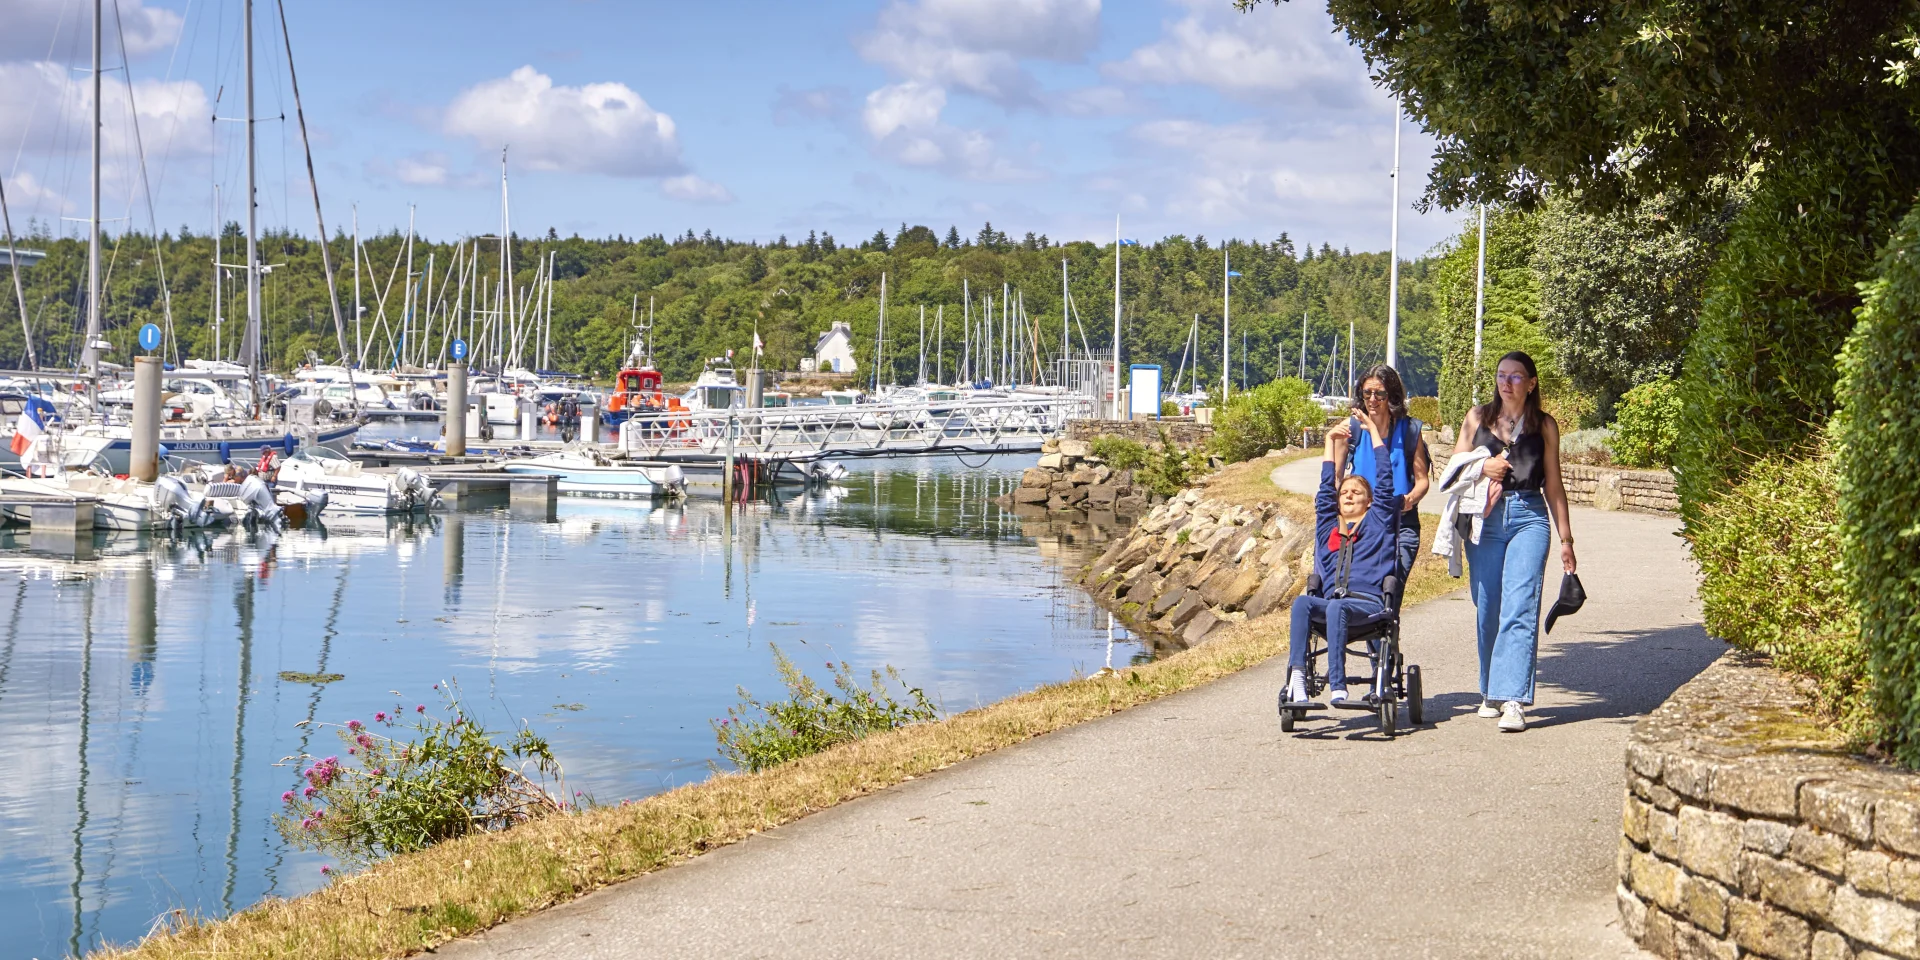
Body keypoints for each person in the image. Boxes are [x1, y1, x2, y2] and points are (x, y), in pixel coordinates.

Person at [1452, 351, 1577, 733]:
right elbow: (1453, 471)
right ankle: (1490, 688)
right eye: (1501, 375)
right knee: (1487, 605)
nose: (1506, 383)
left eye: (1516, 377)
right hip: (1484, 520)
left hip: (1529, 516)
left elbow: (1553, 483)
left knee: (1520, 605)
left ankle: (1513, 699)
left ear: (1532, 383)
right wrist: (1481, 466)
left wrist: (1566, 539)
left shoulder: (1545, 426)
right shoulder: (1477, 418)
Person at [1285, 407, 1400, 704]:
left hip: (1368, 607)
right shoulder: (1328, 527)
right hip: (1332, 605)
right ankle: (1297, 676)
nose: (1348, 495)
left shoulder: (1378, 522)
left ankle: (1338, 685)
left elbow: (1386, 480)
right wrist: (1329, 441)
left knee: (1338, 607)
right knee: (1302, 603)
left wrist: (1373, 432)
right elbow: (1326, 490)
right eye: (1345, 491)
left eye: (1356, 492)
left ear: (1370, 501)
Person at [1331, 364, 1430, 577]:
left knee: (1392, 588)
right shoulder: (1351, 428)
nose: (1372, 399)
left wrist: (1409, 500)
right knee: (1363, 589)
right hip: (1361, 524)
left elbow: (1422, 480)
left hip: (1401, 524)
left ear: (1392, 396)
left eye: (1380, 394)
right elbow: (1335, 478)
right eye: (1367, 393)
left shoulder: (1410, 430)